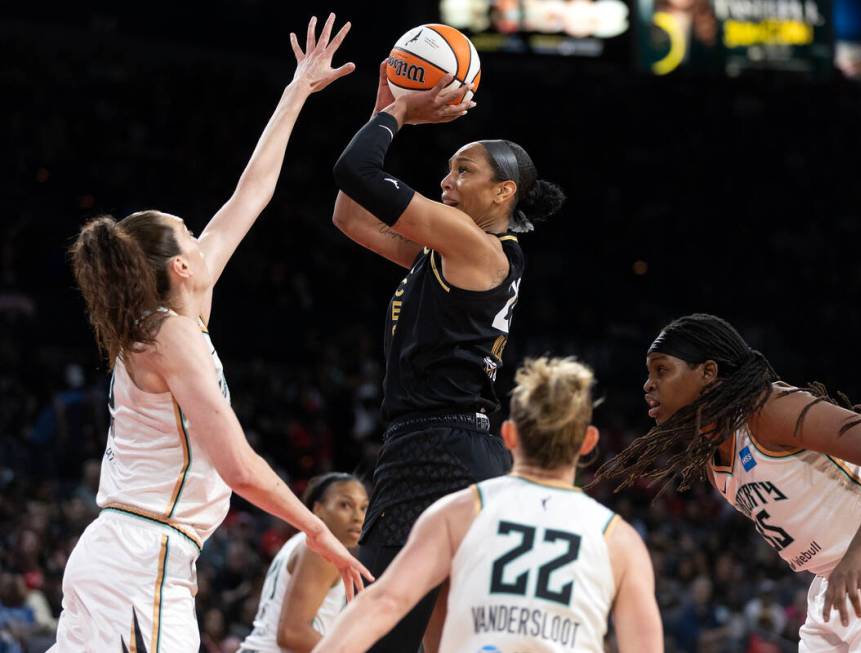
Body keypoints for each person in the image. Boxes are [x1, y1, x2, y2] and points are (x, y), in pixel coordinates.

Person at [52, 15, 371, 651]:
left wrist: (297, 90)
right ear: (180, 265)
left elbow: (250, 194)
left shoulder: (173, 316)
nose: (204, 234)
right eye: (190, 231)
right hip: (142, 556)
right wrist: (318, 530)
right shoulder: (169, 334)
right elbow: (240, 467)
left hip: (133, 553)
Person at [329, 63, 567, 651]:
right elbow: (349, 214)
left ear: (504, 192)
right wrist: (382, 110)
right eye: (448, 167)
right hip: (459, 448)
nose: (446, 180)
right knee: (439, 640)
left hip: (435, 451)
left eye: (464, 170)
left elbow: (356, 170)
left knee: (372, 633)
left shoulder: (471, 244)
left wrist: (401, 111)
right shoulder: (448, 250)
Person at [595, 313, 861, 653]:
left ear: (708, 373)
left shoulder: (768, 408)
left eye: (661, 370)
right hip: (841, 584)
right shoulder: (715, 462)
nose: (648, 384)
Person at [312, 357, 663, 653]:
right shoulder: (620, 540)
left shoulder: (459, 512)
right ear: (588, 442)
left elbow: (383, 602)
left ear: (508, 435)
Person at [239, 473, 369, 653]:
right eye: (345, 505)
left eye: (363, 508)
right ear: (318, 509)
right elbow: (292, 634)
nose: (358, 517)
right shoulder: (321, 551)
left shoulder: (302, 542)